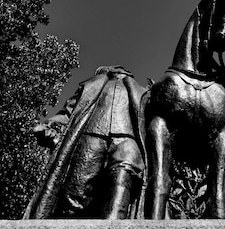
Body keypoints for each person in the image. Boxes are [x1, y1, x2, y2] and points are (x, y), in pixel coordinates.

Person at [25, 65, 147, 219]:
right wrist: (49, 124)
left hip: (127, 142)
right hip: (91, 137)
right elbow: (68, 113)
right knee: (76, 197)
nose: (120, 69)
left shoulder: (142, 92)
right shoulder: (92, 85)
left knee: (121, 186)